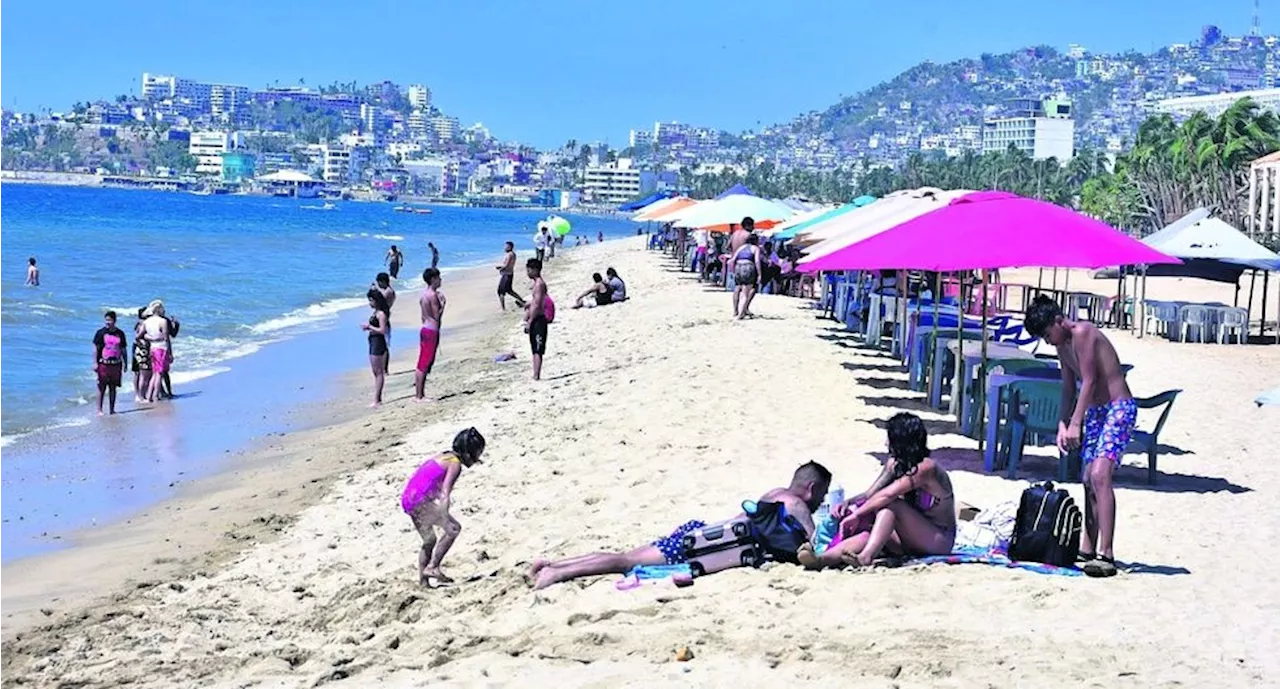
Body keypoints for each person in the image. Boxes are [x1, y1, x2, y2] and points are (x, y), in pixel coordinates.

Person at [529, 462, 832, 590]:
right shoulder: (797, 505)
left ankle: (554, 563)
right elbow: (812, 546)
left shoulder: (775, 494)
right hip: (702, 545)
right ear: (810, 488)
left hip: (700, 533)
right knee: (626, 560)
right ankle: (558, 572)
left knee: (627, 556)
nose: (820, 501)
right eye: (821, 494)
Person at [1025, 295, 1133, 578]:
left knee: (1100, 475)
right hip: (1096, 412)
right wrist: (1062, 423)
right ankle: (1088, 546)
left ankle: (1107, 553)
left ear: (1059, 321)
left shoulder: (1083, 332)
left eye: (1048, 334)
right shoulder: (1062, 346)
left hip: (1118, 408)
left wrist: (1076, 424)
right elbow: (1068, 388)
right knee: (1086, 478)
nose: (1048, 341)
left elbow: (1092, 379)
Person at [798, 412, 956, 570]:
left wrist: (857, 515)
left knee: (892, 505)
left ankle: (866, 557)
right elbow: (870, 494)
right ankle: (821, 559)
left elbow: (888, 495)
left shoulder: (927, 468)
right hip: (911, 538)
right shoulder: (895, 465)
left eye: (890, 438)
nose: (886, 444)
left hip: (938, 539)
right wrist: (848, 504)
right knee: (868, 532)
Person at [401, 427, 487, 586]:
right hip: (421, 501)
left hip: (408, 499)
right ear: (468, 454)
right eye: (477, 456)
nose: (475, 461)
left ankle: (423, 582)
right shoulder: (455, 465)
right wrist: (444, 514)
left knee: (429, 540)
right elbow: (445, 492)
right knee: (453, 528)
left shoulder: (444, 456)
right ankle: (433, 567)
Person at [415, 268, 445, 401]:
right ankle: (419, 396)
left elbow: (423, 316)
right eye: (439, 278)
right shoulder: (432, 295)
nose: (440, 280)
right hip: (431, 330)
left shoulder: (424, 294)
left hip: (425, 328)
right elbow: (436, 315)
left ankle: (420, 394)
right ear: (433, 279)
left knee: (423, 362)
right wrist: (443, 304)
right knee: (424, 363)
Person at [92, 311, 128, 416]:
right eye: (106, 320)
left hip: (116, 364)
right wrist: (94, 362)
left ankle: (112, 409)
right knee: (101, 387)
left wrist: (126, 363)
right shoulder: (100, 333)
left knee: (113, 387)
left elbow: (123, 349)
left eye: (110, 320)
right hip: (103, 364)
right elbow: (95, 348)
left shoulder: (120, 333)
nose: (108, 322)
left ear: (114, 321)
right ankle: (99, 410)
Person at [362, 288, 391, 407]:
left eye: (371, 300)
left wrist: (369, 327)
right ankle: (377, 399)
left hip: (378, 343)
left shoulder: (381, 314)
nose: (370, 303)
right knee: (376, 372)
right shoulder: (376, 313)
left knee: (378, 372)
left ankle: (377, 400)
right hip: (374, 342)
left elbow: (383, 330)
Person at [141, 301, 171, 403]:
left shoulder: (146, 321)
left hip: (152, 348)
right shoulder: (163, 321)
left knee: (154, 373)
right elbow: (166, 337)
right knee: (159, 373)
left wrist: (150, 338)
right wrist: (170, 352)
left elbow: (139, 336)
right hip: (161, 348)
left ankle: (149, 395)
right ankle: (155, 395)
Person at [524, 258, 548, 381]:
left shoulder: (539, 284)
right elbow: (534, 302)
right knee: (534, 347)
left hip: (538, 319)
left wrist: (530, 321)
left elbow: (538, 304)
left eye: (528, 270)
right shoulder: (536, 284)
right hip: (536, 318)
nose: (527, 273)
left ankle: (536, 375)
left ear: (535, 270)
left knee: (538, 348)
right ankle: (535, 373)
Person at [731, 234, 763, 319]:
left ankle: (735, 311)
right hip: (748, 266)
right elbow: (757, 261)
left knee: (737, 289)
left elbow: (733, 259)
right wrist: (759, 274)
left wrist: (733, 270)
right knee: (745, 292)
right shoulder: (755, 248)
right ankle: (741, 313)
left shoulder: (741, 247)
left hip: (738, 266)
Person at [374, 272, 397, 373]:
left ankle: (385, 369)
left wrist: (375, 291)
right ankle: (384, 368)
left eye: (379, 283)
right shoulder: (389, 291)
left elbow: (380, 301)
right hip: (385, 317)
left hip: (384, 318)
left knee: (385, 344)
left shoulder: (388, 292)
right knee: (383, 343)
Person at [495, 241, 526, 311]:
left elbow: (507, 265)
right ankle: (521, 300)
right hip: (509, 274)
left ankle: (503, 308)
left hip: (506, 274)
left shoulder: (510, 254)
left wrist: (500, 268)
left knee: (500, 291)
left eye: (506, 246)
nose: (505, 248)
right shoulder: (513, 254)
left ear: (510, 247)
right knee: (509, 290)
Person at [132, 308, 151, 404]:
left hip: (139, 348)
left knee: (139, 373)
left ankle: (139, 394)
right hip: (141, 349)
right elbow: (137, 338)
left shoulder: (142, 323)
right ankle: (139, 395)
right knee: (140, 373)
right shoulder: (142, 324)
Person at [159, 311, 181, 399]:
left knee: (162, 371)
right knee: (161, 372)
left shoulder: (165, 320)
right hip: (159, 347)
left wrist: (176, 324)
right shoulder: (159, 321)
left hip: (162, 347)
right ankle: (163, 392)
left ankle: (166, 392)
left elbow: (173, 334)